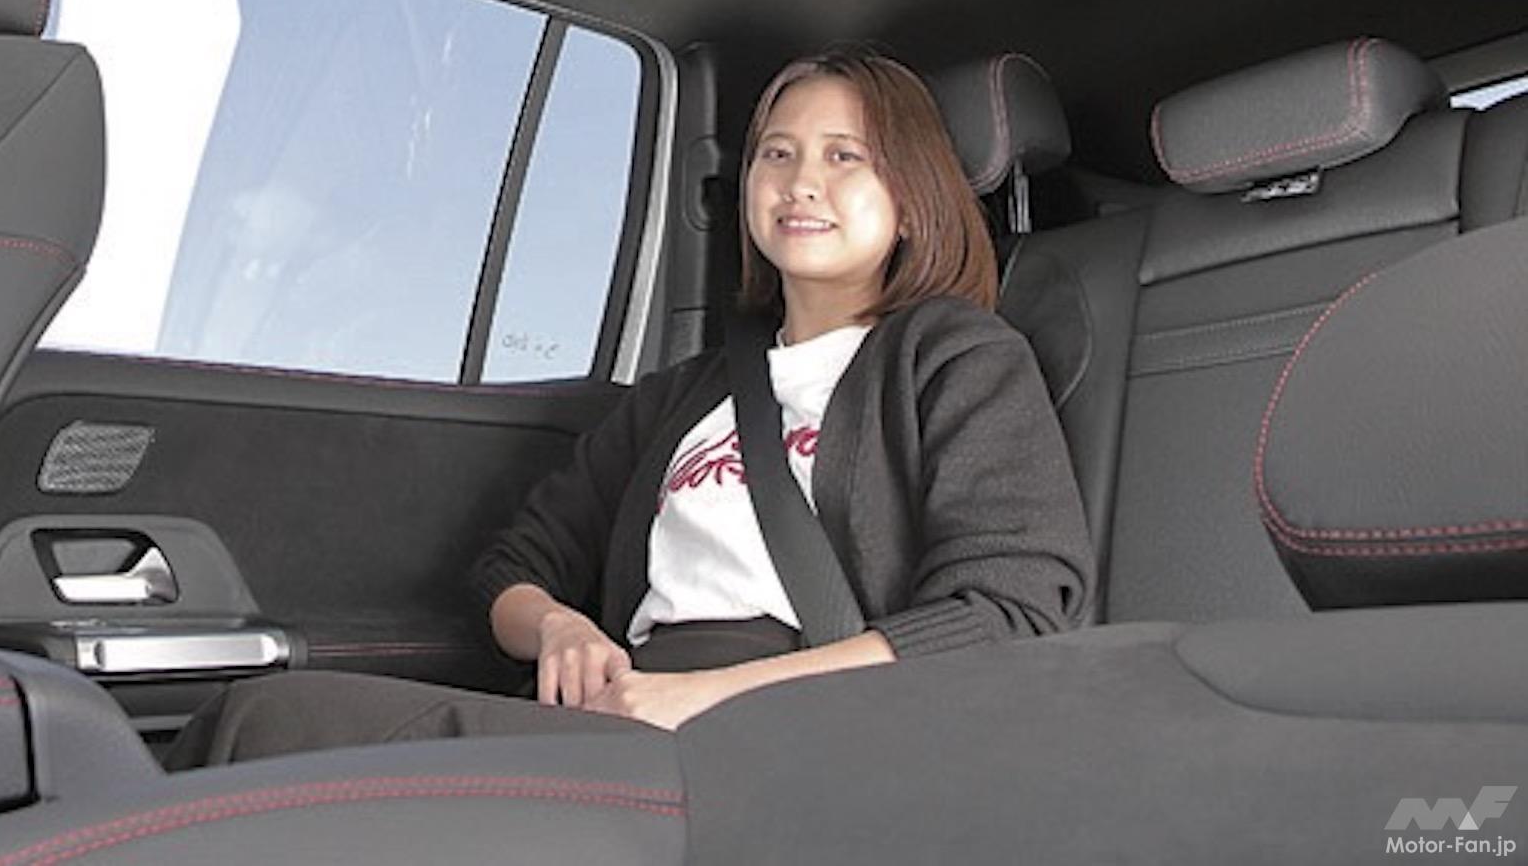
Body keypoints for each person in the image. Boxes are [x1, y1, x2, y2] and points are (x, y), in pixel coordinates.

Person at [164, 48, 1092, 767]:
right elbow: (513, 569)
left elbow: (1006, 610)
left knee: (268, 726)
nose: (801, 181)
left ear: (911, 197)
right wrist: (561, 628)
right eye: (777, 153)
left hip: (806, 736)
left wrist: (713, 697)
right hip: (633, 711)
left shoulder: (956, 357)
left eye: (844, 156)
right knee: (252, 720)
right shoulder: (683, 394)